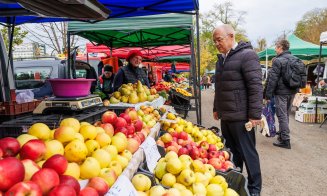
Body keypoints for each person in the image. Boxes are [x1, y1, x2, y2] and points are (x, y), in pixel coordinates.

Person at [212, 24, 262, 196]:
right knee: (232, 153)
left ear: (231, 36)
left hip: (241, 117)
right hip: (226, 115)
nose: (217, 44)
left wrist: (255, 115)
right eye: (215, 41)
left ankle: (255, 189)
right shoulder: (221, 59)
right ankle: (237, 181)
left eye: (219, 39)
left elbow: (255, 86)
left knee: (249, 153)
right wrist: (216, 107)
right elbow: (219, 86)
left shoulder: (247, 55)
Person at [265, 39, 298, 149]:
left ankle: (285, 140)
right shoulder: (295, 59)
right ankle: (283, 135)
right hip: (292, 91)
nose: (275, 49)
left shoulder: (278, 61)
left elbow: (272, 79)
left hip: (281, 93)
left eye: (276, 47)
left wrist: (267, 95)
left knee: (282, 115)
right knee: (286, 114)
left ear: (280, 48)